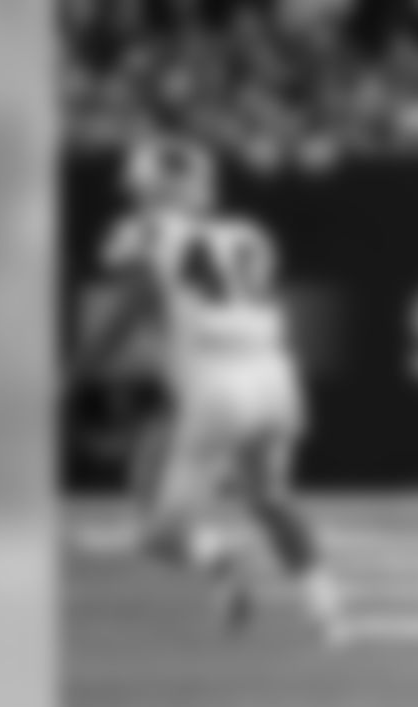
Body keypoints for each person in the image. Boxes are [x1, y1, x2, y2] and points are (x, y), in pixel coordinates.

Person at [78, 137, 345, 638]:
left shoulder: (146, 233)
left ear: (160, 186)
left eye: (140, 187)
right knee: (270, 497)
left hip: (217, 384)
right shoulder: (249, 235)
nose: (134, 197)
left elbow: (133, 307)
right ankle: (326, 608)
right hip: (276, 376)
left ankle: (221, 560)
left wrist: (78, 369)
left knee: (159, 535)